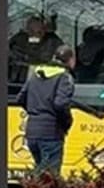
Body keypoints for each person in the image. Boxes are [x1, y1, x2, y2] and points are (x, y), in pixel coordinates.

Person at [16, 45, 76, 175]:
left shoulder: (36, 73)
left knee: (40, 175)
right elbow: (60, 104)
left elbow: (20, 98)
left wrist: (35, 112)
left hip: (32, 133)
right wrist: (67, 123)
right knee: (50, 179)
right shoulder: (64, 77)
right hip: (51, 133)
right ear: (71, 60)